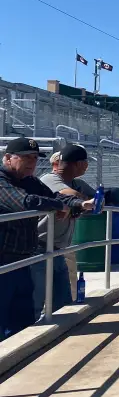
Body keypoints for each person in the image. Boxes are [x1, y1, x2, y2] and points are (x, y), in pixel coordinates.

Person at [0, 138, 89, 339]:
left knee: (24, 320)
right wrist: (58, 207)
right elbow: (25, 202)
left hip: (23, 260)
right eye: (25, 157)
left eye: (34, 157)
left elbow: (55, 197)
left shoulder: (29, 181)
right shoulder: (2, 181)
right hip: (3, 261)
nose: (31, 162)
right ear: (8, 158)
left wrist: (79, 204)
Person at [36, 144, 96, 309]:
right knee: (36, 300)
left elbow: (99, 199)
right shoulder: (49, 179)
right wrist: (80, 203)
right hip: (40, 246)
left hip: (59, 247)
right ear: (79, 164)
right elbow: (68, 195)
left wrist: (80, 204)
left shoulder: (77, 182)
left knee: (62, 300)